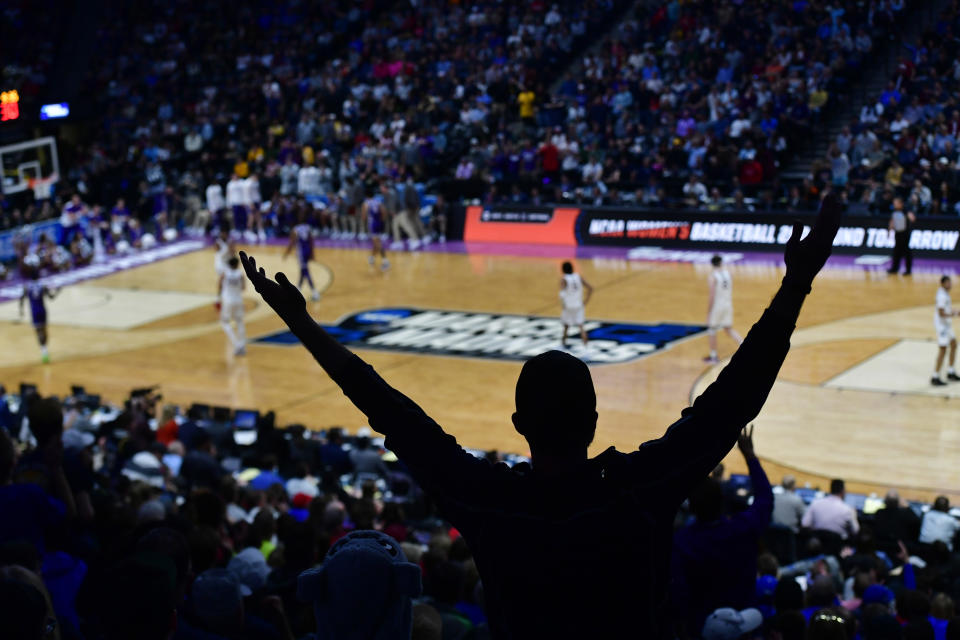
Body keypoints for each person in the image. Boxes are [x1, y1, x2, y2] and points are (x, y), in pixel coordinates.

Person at [237, 193, 843, 637]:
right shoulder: (639, 489)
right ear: (596, 419)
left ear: (519, 423)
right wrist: (795, 286)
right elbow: (731, 403)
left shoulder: (485, 498)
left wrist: (304, 326)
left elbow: (388, 409)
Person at [672, 426, 773, 634]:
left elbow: (678, 594)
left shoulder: (681, 542)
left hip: (699, 627)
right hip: (744, 623)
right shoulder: (743, 528)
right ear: (722, 502)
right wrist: (750, 457)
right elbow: (765, 498)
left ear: (690, 507)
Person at [705, 255, 743, 363]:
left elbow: (712, 295)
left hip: (718, 306)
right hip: (728, 304)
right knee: (728, 329)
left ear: (712, 264)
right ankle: (746, 346)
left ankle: (713, 357)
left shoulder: (712, 277)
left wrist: (708, 311)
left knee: (712, 329)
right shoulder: (729, 274)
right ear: (721, 263)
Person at [18, 269, 59, 364]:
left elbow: (21, 299)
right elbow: (51, 297)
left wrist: (21, 311)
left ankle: (43, 351)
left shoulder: (27, 287)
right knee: (44, 331)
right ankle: (45, 348)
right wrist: (58, 291)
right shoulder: (43, 286)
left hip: (34, 312)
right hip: (43, 310)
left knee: (38, 332)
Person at [283, 211, 320, 301]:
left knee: (306, 272)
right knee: (303, 271)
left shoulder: (295, 229)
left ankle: (314, 292)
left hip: (301, 254)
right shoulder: (308, 228)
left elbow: (292, 243)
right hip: (307, 252)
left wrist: (286, 253)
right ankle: (298, 289)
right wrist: (312, 253)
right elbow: (311, 242)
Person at [932, 275, 959, 386]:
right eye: (947, 283)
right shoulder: (942, 296)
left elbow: (945, 310)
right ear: (942, 284)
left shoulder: (943, 292)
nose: (949, 285)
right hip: (942, 326)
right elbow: (941, 313)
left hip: (946, 324)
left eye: (950, 282)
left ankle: (951, 372)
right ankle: (935, 376)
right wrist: (955, 313)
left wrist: (953, 311)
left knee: (953, 344)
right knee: (943, 349)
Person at [559, 261, 593, 348]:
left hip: (568, 306)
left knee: (566, 326)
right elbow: (590, 288)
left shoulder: (564, 279)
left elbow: (562, 294)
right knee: (581, 326)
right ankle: (586, 347)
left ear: (563, 270)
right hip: (579, 305)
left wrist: (563, 303)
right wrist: (586, 301)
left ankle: (562, 344)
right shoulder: (578, 277)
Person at [219, 256, 247, 356]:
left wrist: (218, 297)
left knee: (225, 323)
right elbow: (243, 288)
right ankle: (242, 346)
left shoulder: (225, 273)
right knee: (240, 322)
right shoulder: (240, 274)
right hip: (238, 300)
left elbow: (220, 285)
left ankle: (237, 345)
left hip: (228, 301)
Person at [887, 197, 915, 275]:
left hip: (905, 234)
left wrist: (908, 216)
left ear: (900, 204)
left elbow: (912, 218)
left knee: (906, 252)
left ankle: (908, 270)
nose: (894, 205)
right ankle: (894, 268)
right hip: (897, 233)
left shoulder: (905, 211)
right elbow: (892, 221)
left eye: (895, 203)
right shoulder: (894, 212)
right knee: (896, 251)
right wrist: (889, 231)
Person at [364, 187, 389, 271]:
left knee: (378, 243)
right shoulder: (378, 202)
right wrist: (381, 221)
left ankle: (385, 261)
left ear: (366, 195)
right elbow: (384, 212)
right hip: (379, 223)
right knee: (375, 243)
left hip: (372, 224)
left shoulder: (366, 203)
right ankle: (372, 257)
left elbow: (363, 217)